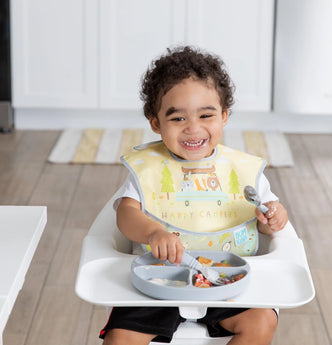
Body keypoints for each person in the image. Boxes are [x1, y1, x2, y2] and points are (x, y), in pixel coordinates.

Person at [100, 46, 288, 345]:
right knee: (120, 338)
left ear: (224, 116)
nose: (193, 128)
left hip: (227, 280)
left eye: (206, 115)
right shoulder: (149, 168)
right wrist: (153, 232)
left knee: (262, 321)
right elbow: (126, 212)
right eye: (177, 119)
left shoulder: (242, 170)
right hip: (157, 280)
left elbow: (266, 222)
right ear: (155, 123)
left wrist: (272, 218)